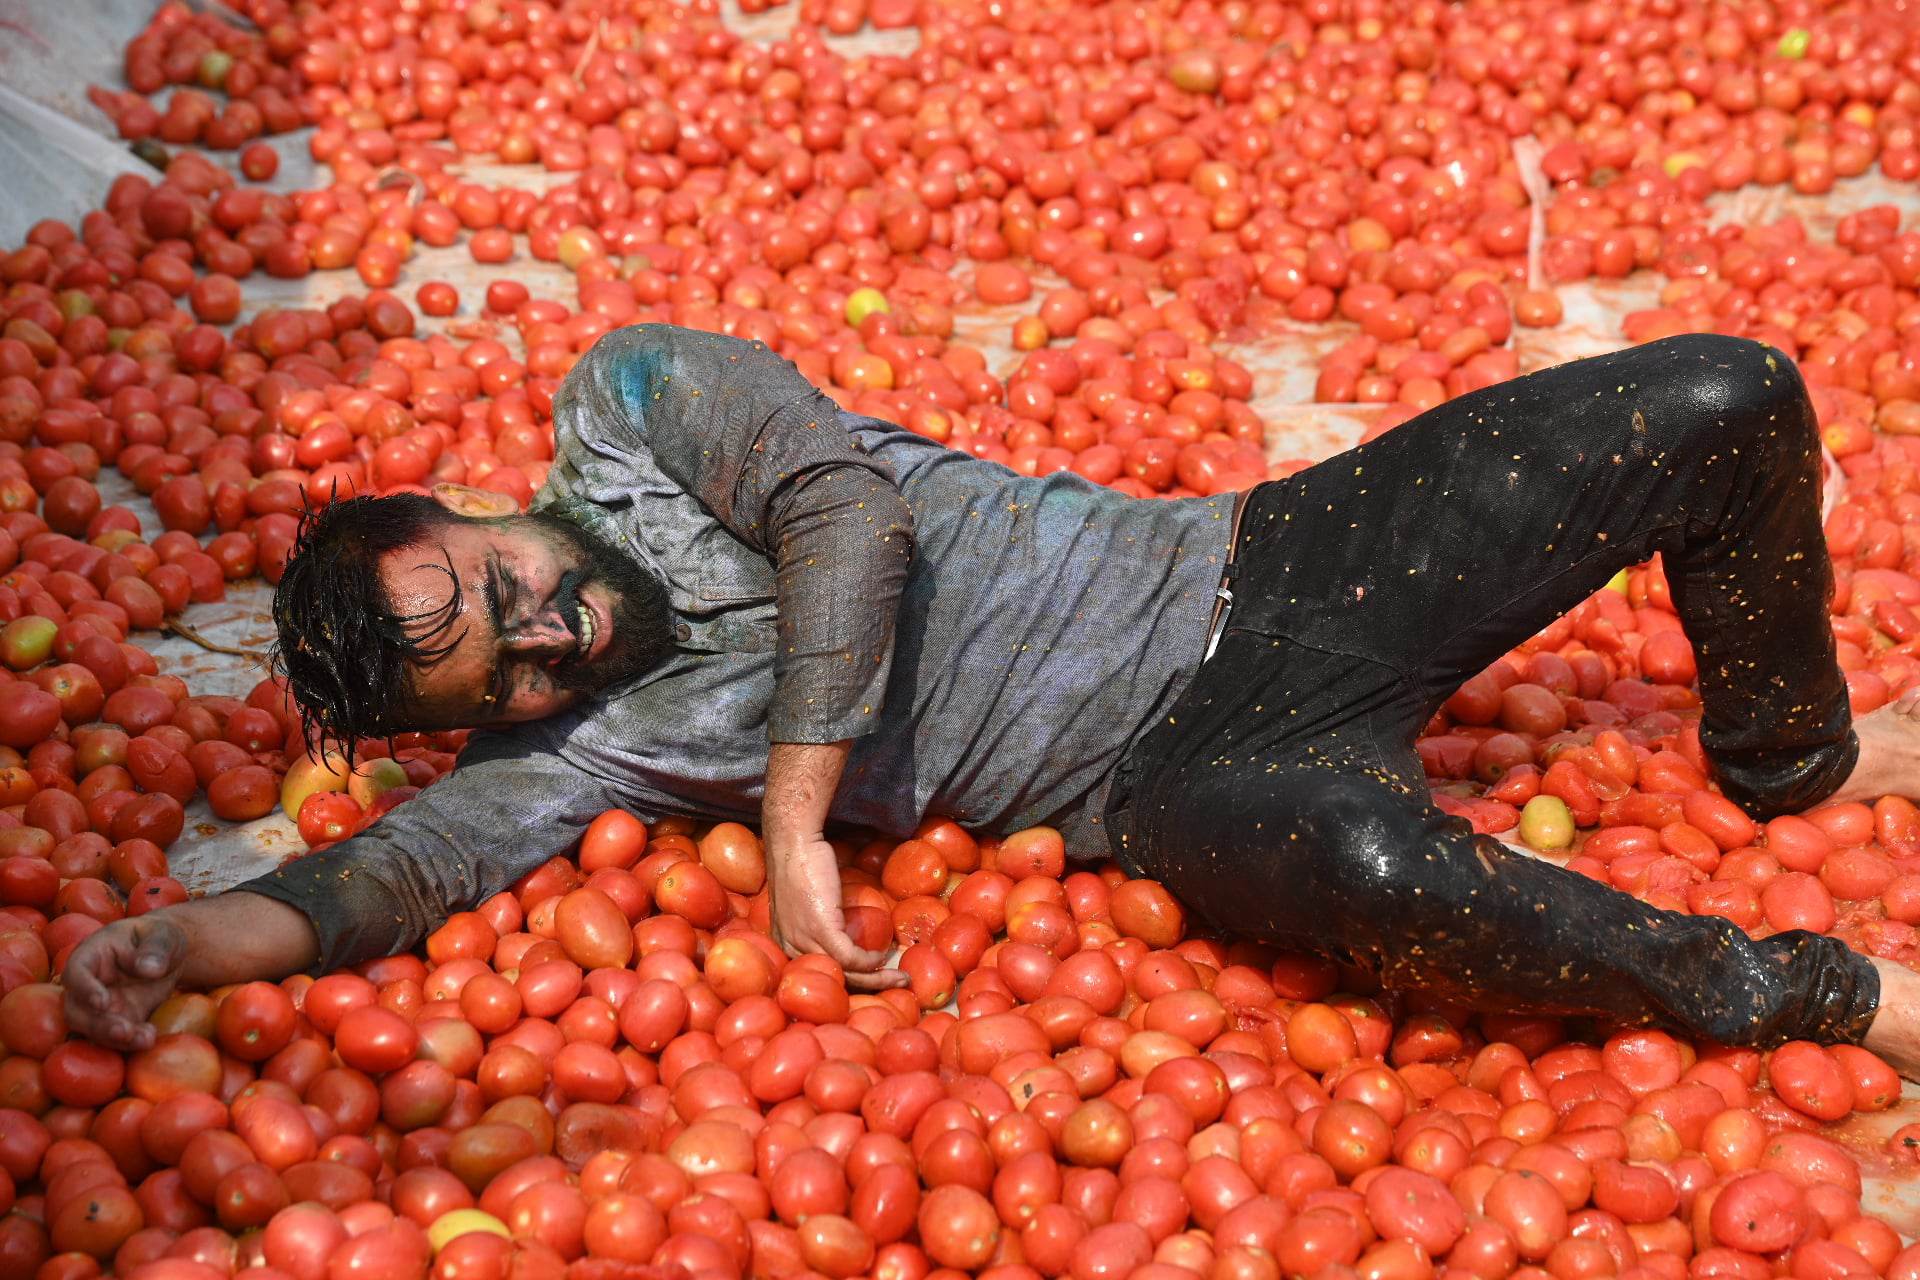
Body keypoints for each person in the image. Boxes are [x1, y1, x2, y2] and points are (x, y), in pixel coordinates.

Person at [60, 324, 1920, 1073]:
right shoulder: (570, 749)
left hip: (1256, 566)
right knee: (1366, 861)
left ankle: (1790, 760)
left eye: (494, 585)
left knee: (1724, 398)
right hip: (1168, 779)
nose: (542, 631)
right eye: (501, 663)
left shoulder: (626, 413)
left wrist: (792, 816)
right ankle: (1820, 994)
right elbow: (389, 884)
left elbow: (842, 513)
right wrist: (187, 940)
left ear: (465, 507)